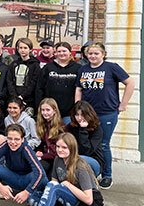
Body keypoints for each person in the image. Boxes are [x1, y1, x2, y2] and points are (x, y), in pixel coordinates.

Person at [7, 133, 103, 206]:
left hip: (84, 205)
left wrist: (67, 185)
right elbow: (54, 181)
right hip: (67, 199)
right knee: (31, 198)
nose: (60, 150)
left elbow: (89, 200)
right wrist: (49, 202)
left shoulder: (80, 166)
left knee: (54, 187)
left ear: (72, 148)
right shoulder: (58, 159)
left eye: (64, 147)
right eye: (58, 146)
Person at [75, 42, 134, 189]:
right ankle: (90, 172)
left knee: (103, 144)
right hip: (87, 114)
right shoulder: (83, 69)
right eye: (90, 53)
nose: (93, 56)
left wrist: (123, 104)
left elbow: (130, 83)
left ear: (103, 54)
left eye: (96, 53)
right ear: (86, 55)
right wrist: (78, 108)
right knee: (86, 143)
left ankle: (107, 175)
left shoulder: (111, 67)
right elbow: (79, 89)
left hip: (107, 113)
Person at [0, 124, 47, 204]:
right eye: (10, 138)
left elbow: (40, 173)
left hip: (26, 180)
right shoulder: (5, 146)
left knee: (42, 176)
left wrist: (27, 192)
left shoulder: (26, 149)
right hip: (12, 178)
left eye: (17, 139)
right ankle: (4, 188)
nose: (13, 142)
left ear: (22, 139)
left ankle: (42, 195)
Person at [36, 42, 81, 125]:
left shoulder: (78, 68)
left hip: (70, 111)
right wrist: (40, 106)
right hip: (50, 111)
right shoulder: (48, 67)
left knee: (67, 135)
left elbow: (80, 89)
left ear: (70, 52)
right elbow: (40, 87)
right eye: (59, 51)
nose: (61, 53)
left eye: (64, 51)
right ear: (55, 53)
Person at [68, 101, 104, 177]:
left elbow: (87, 151)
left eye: (82, 115)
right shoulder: (71, 127)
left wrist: (83, 130)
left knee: (79, 159)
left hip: (93, 161)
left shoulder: (97, 129)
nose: (79, 118)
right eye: (77, 115)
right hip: (74, 159)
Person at [7, 38, 41, 114]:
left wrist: (22, 97)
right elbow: (9, 81)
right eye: (21, 48)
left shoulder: (35, 65)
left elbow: (33, 82)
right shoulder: (13, 64)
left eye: (25, 48)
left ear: (30, 49)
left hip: (29, 100)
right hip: (14, 99)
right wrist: (16, 98)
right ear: (17, 49)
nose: (23, 50)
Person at [35, 98, 65, 179]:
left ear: (54, 111)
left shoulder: (61, 127)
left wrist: (42, 156)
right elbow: (42, 143)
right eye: (43, 110)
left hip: (57, 159)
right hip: (46, 156)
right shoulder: (42, 124)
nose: (45, 113)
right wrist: (39, 152)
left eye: (48, 110)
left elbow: (58, 151)